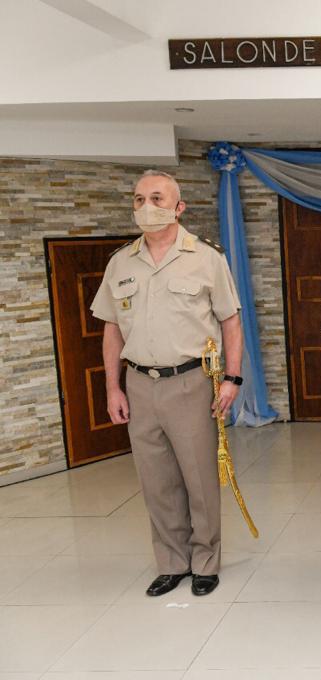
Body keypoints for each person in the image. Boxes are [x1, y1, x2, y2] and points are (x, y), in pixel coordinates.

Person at [91, 169, 242, 597]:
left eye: (157, 199)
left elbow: (230, 321)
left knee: (199, 478)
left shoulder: (206, 257)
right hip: (140, 383)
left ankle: (205, 562)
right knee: (156, 480)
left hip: (190, 381)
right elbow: (111, 330)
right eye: (139, 199)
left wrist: (232, 378)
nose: (146, 207)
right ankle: (172, 562)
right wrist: (113, 387)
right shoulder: (121, 262)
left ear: (179, 208)